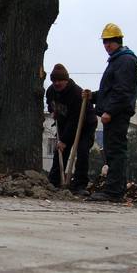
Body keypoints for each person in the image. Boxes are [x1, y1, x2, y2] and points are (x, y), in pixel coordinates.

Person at [88, 23, 137, 202]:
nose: (107, 45)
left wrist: (110, 111)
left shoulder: (125, 61)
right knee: (111, 151)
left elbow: (121, 91)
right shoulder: (117, 60)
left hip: (117, 115)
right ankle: (114, 189)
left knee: (115, 151)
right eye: (105, 42)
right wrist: (93, 97)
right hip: (114, 113)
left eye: (110, 41)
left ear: (118, 41)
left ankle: (114, 191)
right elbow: (109, 90)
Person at [45, 63, 97, 195]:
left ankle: (79, 184)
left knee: (82, 150)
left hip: (84, 124)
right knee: (60, 151)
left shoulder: (75, 93)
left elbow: (75, 120)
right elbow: (50, 105)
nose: (57, 83)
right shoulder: (51, 91)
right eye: (54, 80)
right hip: (64, 123)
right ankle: (55, 181)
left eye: (60, 81)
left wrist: (64, 140)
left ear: (66, 80)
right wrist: (53, 111)